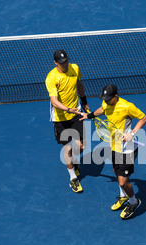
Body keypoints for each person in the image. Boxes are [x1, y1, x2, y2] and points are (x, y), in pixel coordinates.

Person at [81, 84, 146, 219]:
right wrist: (89, 115)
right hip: (114, 145)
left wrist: (132, 133)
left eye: (108, 98)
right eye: (104, 98)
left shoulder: (127, 106)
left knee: (123, 182)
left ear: (115, 97)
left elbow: (144, 118)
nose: (105, 101)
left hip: (127, 148)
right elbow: (102, 109)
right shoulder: (106, 103)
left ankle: (134, 202)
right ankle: (123, 196)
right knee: (116, 171)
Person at [45, 49, 89, 193]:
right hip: (60, 118)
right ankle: (73, 179)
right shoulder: (51, 78)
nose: (65, 64)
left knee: (82, 146)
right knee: (68, 149)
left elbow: (79, 84)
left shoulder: (75, 68)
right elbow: (54, 101)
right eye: (62, 62)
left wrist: (84, 101)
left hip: (76, 113)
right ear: (55, 63)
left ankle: (74, 163)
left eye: (66, 61)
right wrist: (69, 110)